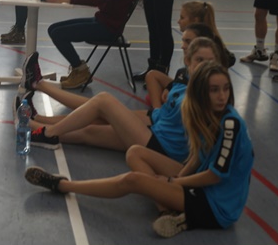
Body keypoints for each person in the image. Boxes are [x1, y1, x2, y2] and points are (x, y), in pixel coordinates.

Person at [25, 61, 254, 239]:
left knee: (133, 180)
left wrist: (173, 182)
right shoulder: (206, 114)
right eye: (215, 90)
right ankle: (168, 211)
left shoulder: (230, 124)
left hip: (216, 204)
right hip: (200, 180)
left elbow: (215, 176)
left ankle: (62, 185)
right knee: (134, 152)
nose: (222, 96)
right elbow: (196, 157)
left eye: (225, 89)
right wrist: (173, 181)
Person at [23, 38, 223, 165]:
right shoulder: (186, 82)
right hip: (155, 129)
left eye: (208, 62)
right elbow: (156, 81)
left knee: (103, 102)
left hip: (161, 146)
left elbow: (208, 140)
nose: (204, 66)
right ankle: (33, 125)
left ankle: (47, 131)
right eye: (199, 61)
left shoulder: (209, 96)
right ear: (188, 62)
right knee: (91, 131)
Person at [177, 1, 235, 68]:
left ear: (195, 20)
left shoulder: (206, 44)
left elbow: (229, 58)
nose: (178, 21)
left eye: (182, 18)